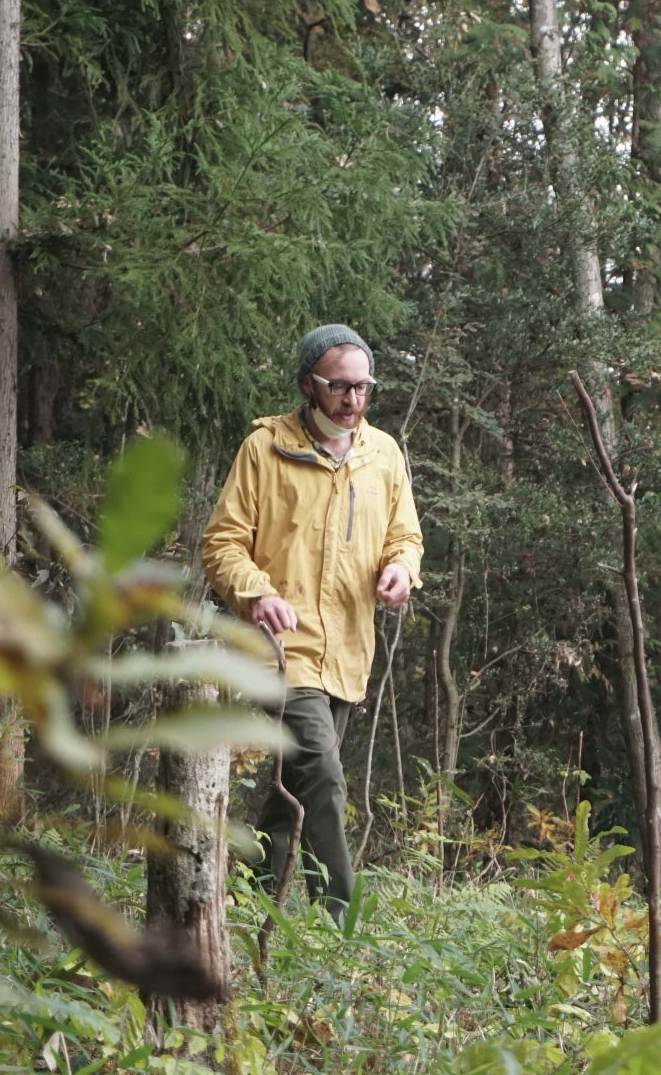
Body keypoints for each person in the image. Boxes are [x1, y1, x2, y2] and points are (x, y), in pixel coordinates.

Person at [201, 324, 423, 920]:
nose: (352, 400)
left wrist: (401, 568)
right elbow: (222, 542)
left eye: (363, 387)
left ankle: (245, 910)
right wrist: (256, 593)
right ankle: (341, 923)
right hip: (278, 651)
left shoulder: (384, 455)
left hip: (348, 651)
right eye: (339, 387)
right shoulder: (265, 449)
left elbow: (405, 535)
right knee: (322, 776)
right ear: (308, 385)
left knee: (293, 795)